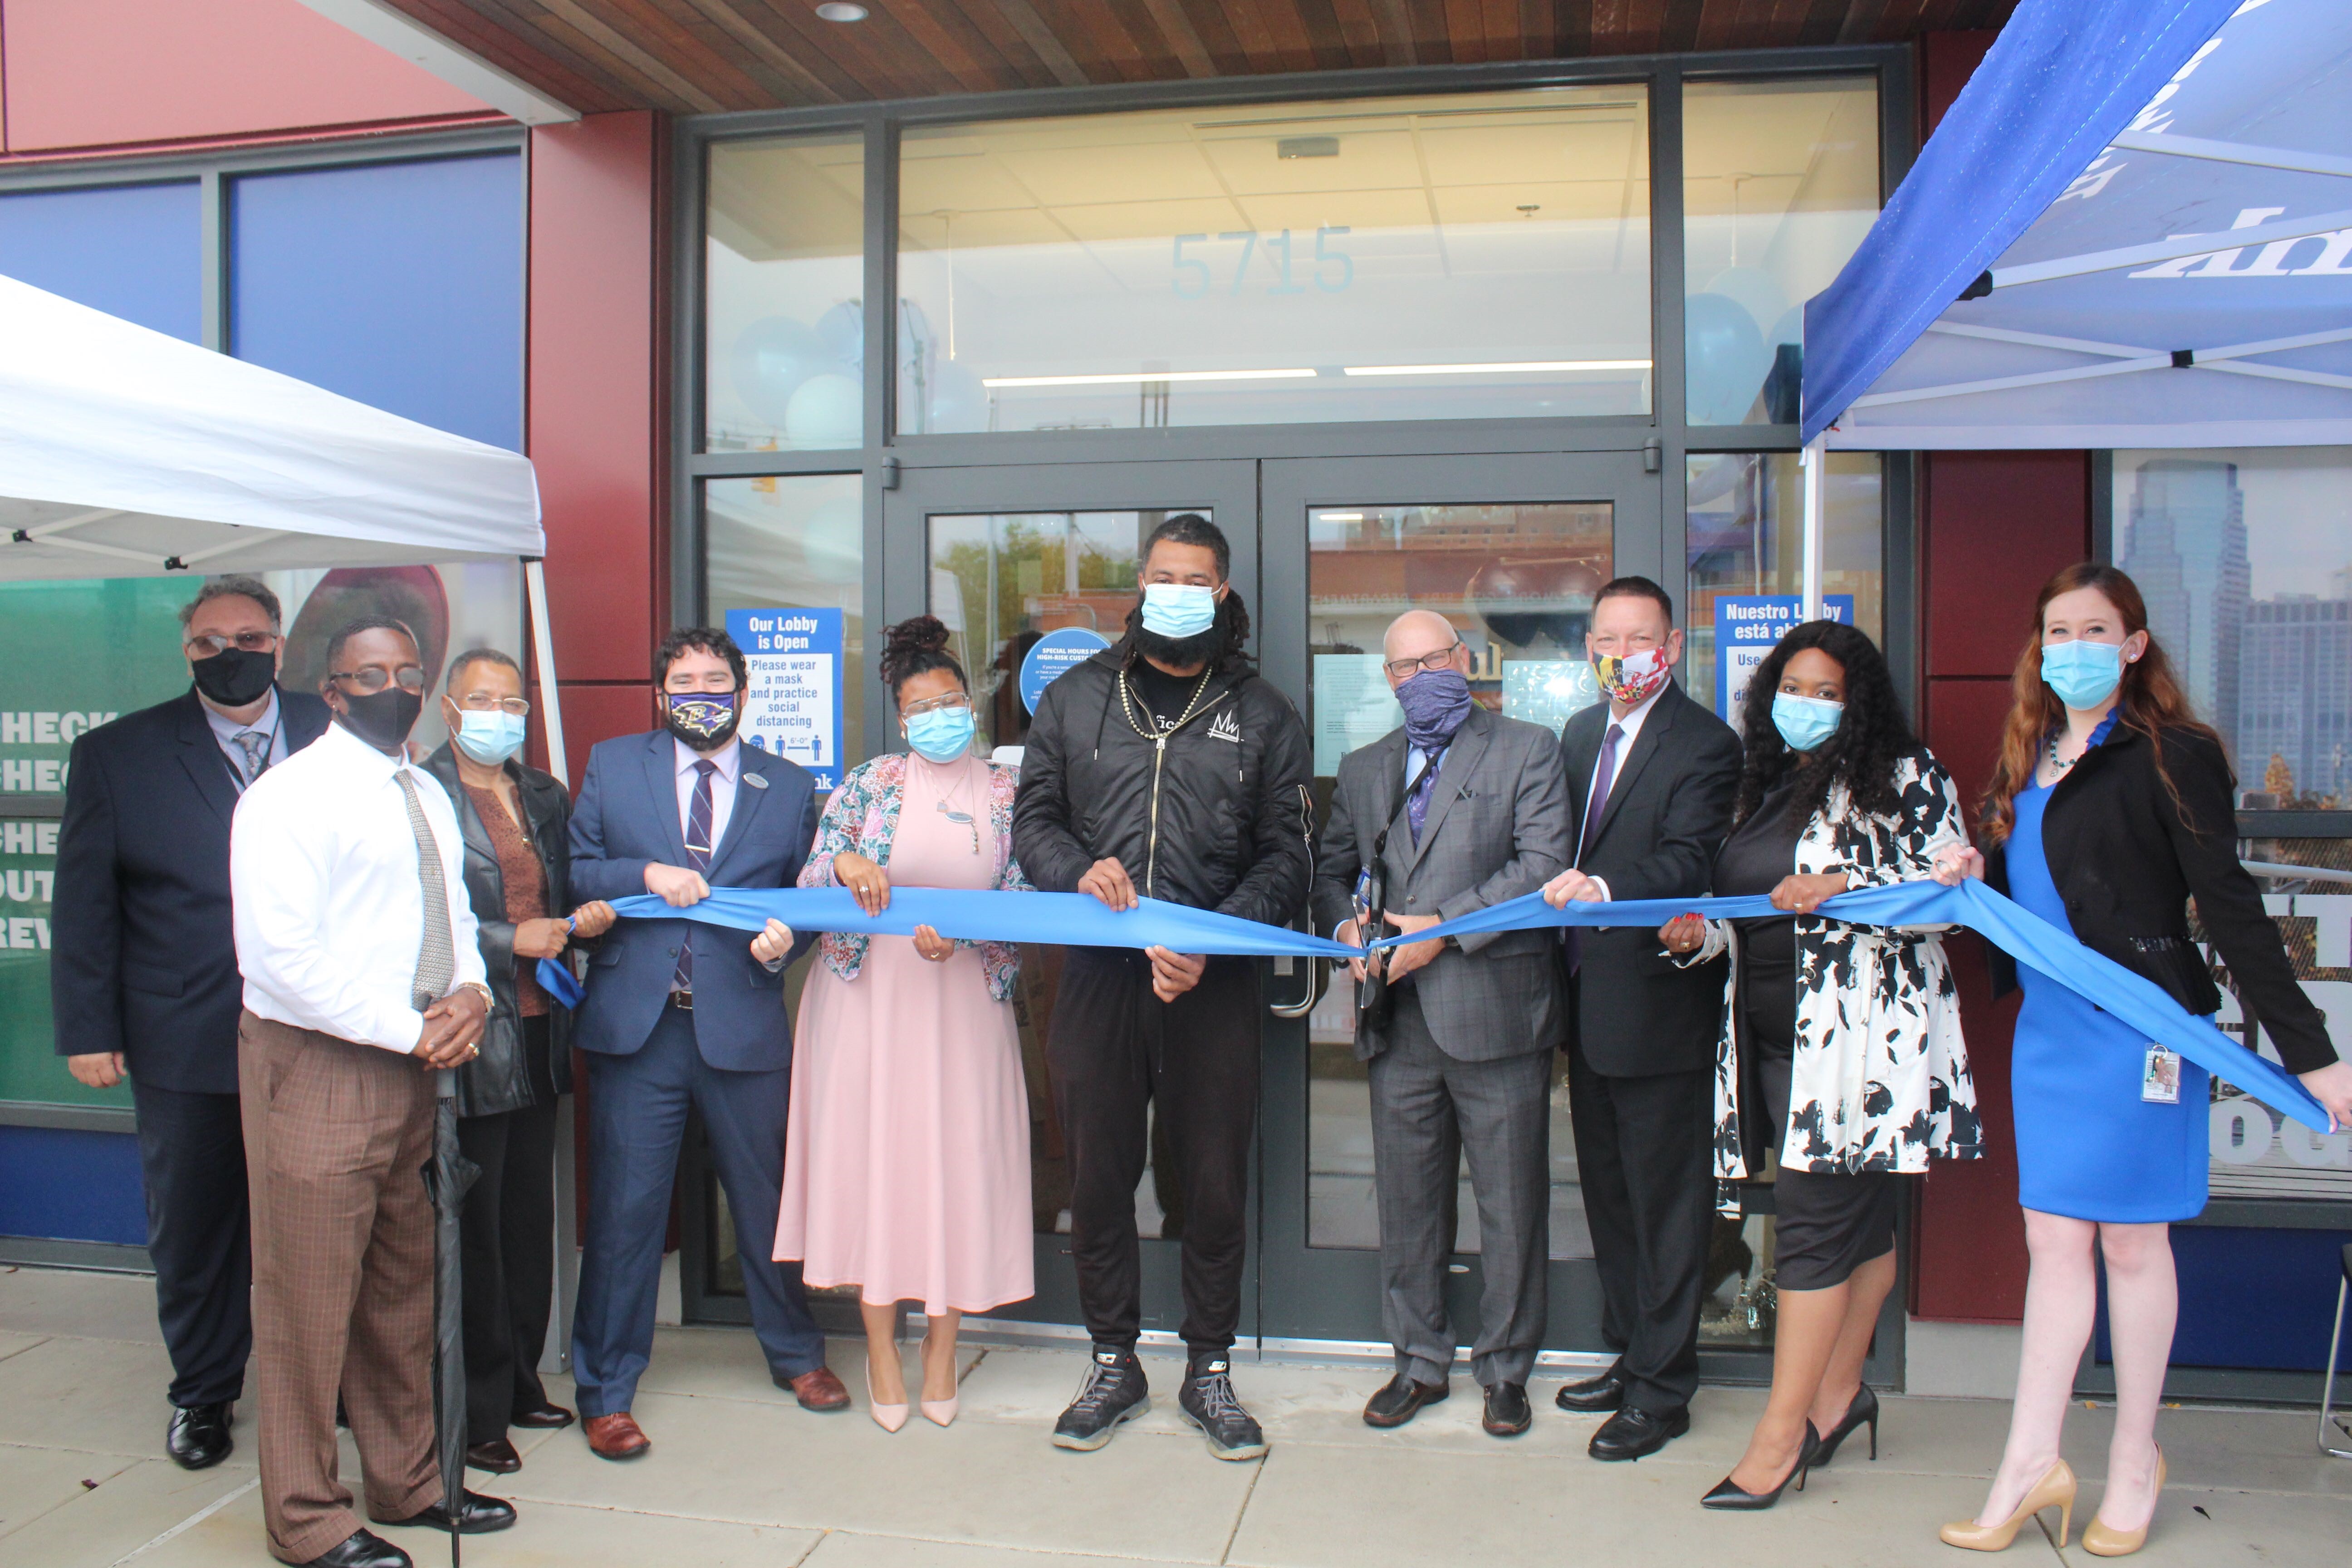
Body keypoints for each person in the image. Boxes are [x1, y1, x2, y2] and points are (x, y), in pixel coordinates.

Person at [1931, 564, 2352, 1556]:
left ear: (2133, 645)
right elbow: (2049, 889)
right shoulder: (2028, 755)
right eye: (2056, 631)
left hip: (2142, 1032)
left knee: (2131, 1244)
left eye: (2094, 629)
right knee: (2054, 1247)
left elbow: (2231, 903)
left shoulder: (2173, 752)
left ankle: (2133, 1459)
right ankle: (2031, 1463)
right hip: (2051, 1038)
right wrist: (1977, 872)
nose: (2072, 647)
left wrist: (2314, 1057)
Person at [1648, 620, 1979, 1509]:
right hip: (1768, 1043)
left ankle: (1780, 1436)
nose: (1808, 704)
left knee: (1810, 1234)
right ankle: (1840, 1400)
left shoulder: (1908, 776)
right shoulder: (1766, 785)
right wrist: (1696, 936)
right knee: (1860, 1230)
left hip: (1857, 1054)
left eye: (1829, 691)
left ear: (1859, 699)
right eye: (1795, 686)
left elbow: (1949, 897)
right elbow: (1746, 914)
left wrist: (1845, 885)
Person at [1013, 513, 1313, 1460]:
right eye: (1162, 575)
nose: (1177, 590)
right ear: (1141, 586)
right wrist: (1074, 869)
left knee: (1212, 1181)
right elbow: (1033, 821)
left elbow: (1289, 854)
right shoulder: (1075, 698)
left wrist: (1210, 942)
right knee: (1100, 1176)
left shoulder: (1263, 713)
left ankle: (1210, 1367)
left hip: (1208, 986)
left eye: (1197, 578)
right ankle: (1113, 1359)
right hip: (1098, 978)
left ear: (1221, 593)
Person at [230, 617, 514, 1568]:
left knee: (404, 1288)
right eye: (370, 674)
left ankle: (410, 1480)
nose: (392, 686)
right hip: (324, 1063)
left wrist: (472, 992)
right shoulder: (289, 798)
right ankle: (308, 1519)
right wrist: (411, 1031)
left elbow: (457, 913)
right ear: (335, 691)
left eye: (407, 671)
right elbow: (281, 960)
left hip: (416, 1068)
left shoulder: (422, 790)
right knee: (310, 1303)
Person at [50, 576, 331, 1473]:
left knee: (318, 1224)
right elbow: (86, 908)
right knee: (197, 1227)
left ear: (281, 645)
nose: (229, 654)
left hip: (325, 1032)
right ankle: (205, 1392)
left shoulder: (341, 734)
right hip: (187, 1033)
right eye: (209, 642)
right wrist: (87, 1030)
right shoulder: (117, 756)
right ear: (186, 652)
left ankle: (326, 1384)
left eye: (248, 637)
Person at [566, 626, 840, 1463]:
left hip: (741, 1025)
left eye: (715, 680)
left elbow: (803, 901)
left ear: (743, 691)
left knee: (765, 1204)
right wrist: (643, 875)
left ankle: (797, 1355)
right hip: (637, 1029)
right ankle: (606, 1388)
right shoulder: (615, 765)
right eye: (683, 680)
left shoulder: (788, 784)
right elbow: (575, 872)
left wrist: (781, 945)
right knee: (625, 1214)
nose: (700, 693)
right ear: (660, 695)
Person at [1312, 609, 1572, 1438]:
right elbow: (1332, 870)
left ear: (1464, 659)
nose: (1419, 676)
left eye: (1433, 659)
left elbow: (1541, 869)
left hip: (1497, 1014)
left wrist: (1435, 930)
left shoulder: (1529, 749)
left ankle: (1505, 1368)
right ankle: (1418, 1362)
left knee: (1510, 1202)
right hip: (1400, 1022)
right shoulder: (1363, 767)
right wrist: (1347, 928)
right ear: (1386, 680)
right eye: (1401, 667)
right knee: (1409, 1203)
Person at [775, 615, 1035, 1432]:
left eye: (951, 701)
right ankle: (882, 1344)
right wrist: (847, 862)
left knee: (955, 1166)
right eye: (922, 708)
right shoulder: (868, 783)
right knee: (876, 1164)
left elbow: (1029, 895)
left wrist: (969, 934)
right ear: (902, 718)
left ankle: (942, 1346)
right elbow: (816, 869)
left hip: (960, 1003)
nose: (939, 717)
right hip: (865, 1003)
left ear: (973, 703)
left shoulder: (1008, 791)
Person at [1540, 575, 1743, 1462]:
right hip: (1586, 1006)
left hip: (1660, 1009)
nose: (1622, 652)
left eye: (1639, 636)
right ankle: (1630, 1356)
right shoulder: (1581, 734)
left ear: (1672, 644)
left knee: (1667, 1208)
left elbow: (1689, 854)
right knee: (1611, 1201)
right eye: (1606, 638)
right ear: (1589, 648)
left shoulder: (1704, 743)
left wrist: (1607, 889)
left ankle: (1665, 1391)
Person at [420, 649, 616, 1475]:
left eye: (513, 700)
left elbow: (557, 900)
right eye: (482, 699)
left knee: (529, 1219)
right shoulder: (420, 795)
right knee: (476, 1229)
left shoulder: (541, 791)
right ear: (448, 709)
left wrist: (588, 917)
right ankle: (476, 1408)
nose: (500, 713)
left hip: (540, 1031)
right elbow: (422, 919)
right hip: (469, 1032)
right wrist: (509, 942)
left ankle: (524, 1381)